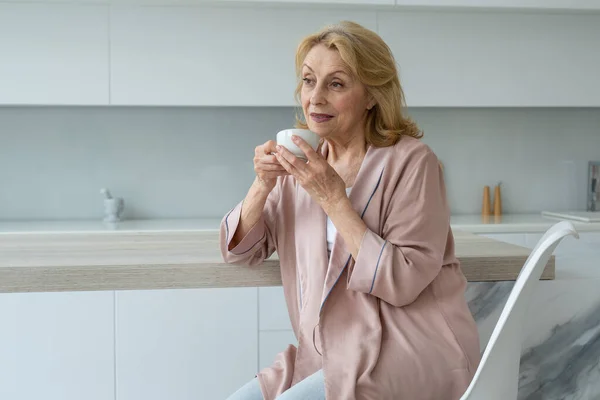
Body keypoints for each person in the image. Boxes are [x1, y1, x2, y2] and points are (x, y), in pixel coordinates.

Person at [221, 20, 480, 400]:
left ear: (372, 95)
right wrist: (263, 183)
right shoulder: (302, 161)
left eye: (336, 84)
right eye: (309, 81)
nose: (316, 98)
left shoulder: (412, 162)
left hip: (403, 347)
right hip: (326, 348)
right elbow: (240, 251)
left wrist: (333, 199)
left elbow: (403, 281)